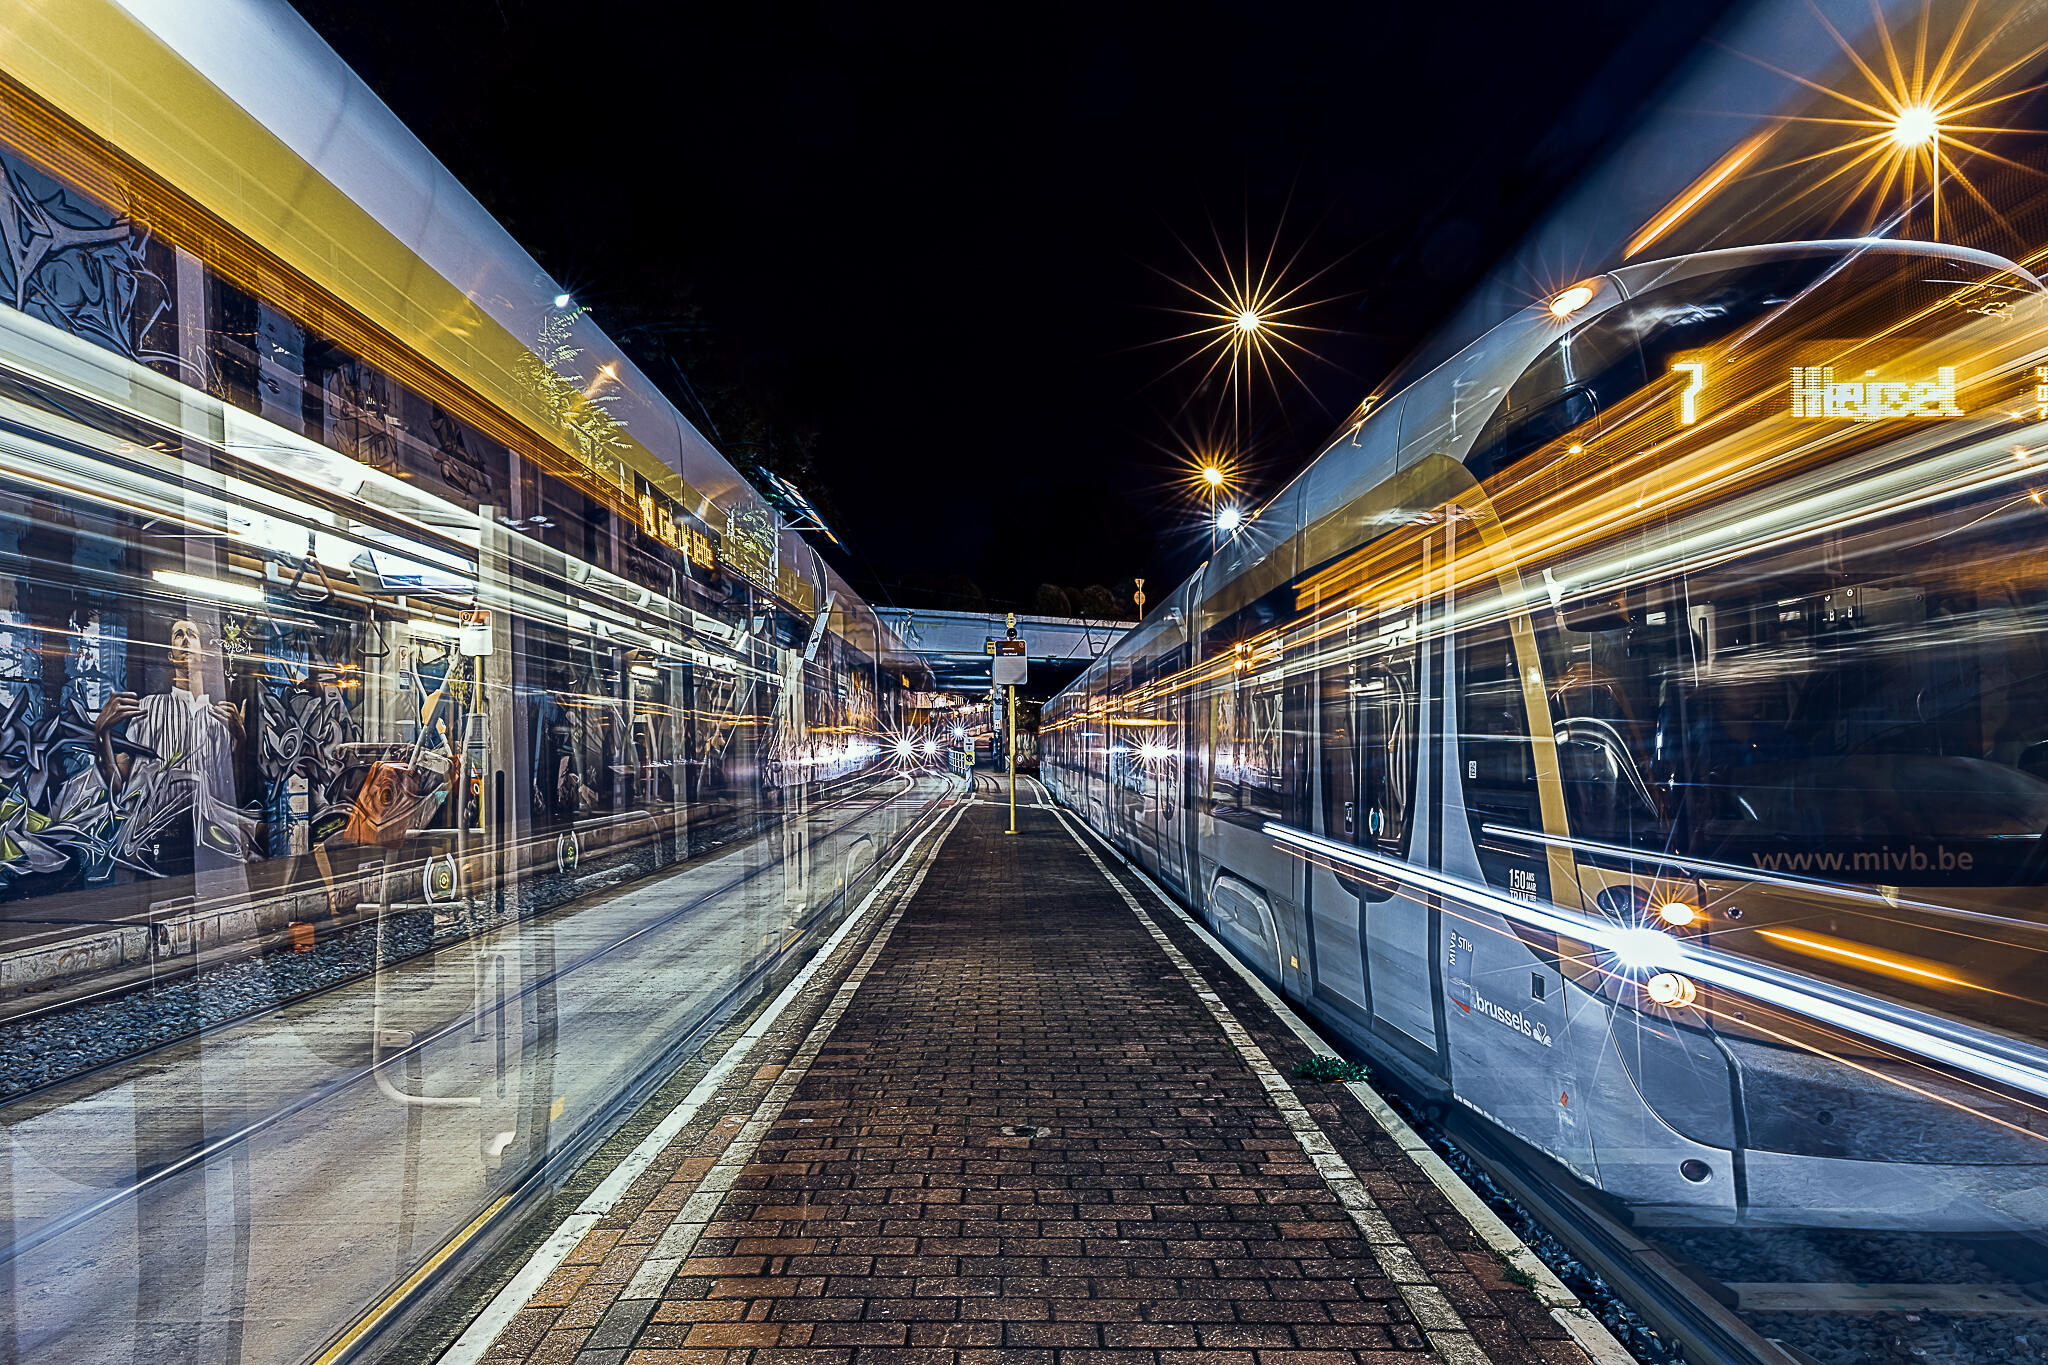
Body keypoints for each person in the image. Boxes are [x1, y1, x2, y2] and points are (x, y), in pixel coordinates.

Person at [95, 616, 258, 873]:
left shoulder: (220, 719)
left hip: (209, 844)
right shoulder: (148, 708)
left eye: (191, 635)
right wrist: (101, 734)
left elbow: (233, 793)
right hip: (153, 843)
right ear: (171, 655)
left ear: (203, 655)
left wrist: (241, 740)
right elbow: (119, 785)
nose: (184, 640)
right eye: (178, 635)